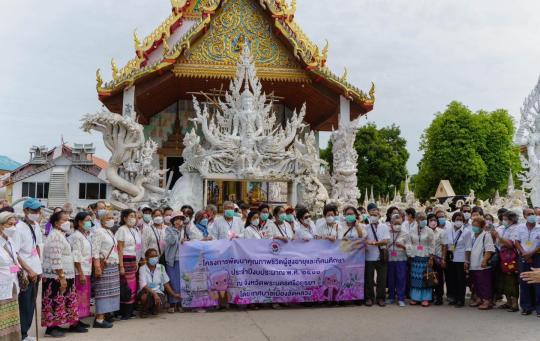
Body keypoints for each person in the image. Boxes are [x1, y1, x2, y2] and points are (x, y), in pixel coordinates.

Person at [41, 211, 83, 337]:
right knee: (54, 299)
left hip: (64, 274)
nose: (68, 222)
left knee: (61, 299)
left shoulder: (61, 235)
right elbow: (55, 258)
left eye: (68, 219)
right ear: (56, 223)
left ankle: (57, 325)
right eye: (64, 220)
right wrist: (62, 277)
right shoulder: (55, 236)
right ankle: (51, 327)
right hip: (56, 276)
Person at [14, 198, 43, 340]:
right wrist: (29, 270)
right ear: (25, 211)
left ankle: (25, 333)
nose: (38, 213)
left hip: (36, 270)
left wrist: (38, 267)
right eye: (34, 211)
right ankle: (22, 334)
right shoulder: (18, 228)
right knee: (24, 304)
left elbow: (36, 247)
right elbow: (16, 253)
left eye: (39, 210)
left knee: (31, 304)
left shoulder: (36, 225)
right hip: (26, 272)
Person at [91, 211, 120, 328]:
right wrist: (97, 266)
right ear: (101, 220)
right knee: (102, 293)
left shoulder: (109, 231)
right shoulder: (98, 232)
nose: (111, 219)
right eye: (108, 218)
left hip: (112, 265)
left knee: (110, 292)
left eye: (112, 217)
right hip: (104, 266)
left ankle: (105, 315)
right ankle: (99, 319)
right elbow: (95, 251)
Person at [137, 248, 181, 318]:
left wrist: (174, 295)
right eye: (152, 257)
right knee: (144, 297)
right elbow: (143, 285)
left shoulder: (161, 267)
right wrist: (154, 294)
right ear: (147, 258)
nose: (154, 258)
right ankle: (144, 311)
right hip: (146, 291)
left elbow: (165, 283)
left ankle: (153, 309)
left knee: (158, 305)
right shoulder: (142, 268)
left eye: (156, 256)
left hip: (158, 291)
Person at [68, 212, 93, 330]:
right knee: (78, 296)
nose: (89, 222)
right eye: (87, 220)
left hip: (87, 270)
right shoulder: (76, 236)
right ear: (79, 222)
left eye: (90, 220)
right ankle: (74, 322)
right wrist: (81, 273)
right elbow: (76, 256)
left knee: (84, 296)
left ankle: (79, 320)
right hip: (80, 272)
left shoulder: (85, 235)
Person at [115, 209, 141, 319]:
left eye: (134, 216)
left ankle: (130, 310)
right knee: (125, 286)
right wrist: (121, 265)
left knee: (133, 286)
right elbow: (119, 249)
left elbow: (138, 247)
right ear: (124, 218)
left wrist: (137, 261)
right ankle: (123, 311)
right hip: (125, 260)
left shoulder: (135, 230)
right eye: (130, 216)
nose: (133, 218)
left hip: (133, 260)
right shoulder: (122, 230)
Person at [0, 212, 22, 341]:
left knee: (11, 319)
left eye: (14, 224)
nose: (13, 227)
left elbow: (13, 263)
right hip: (1, 287)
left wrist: (17, 271)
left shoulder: (10, 241)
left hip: (11, 285)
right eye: (10, 224)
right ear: (1, 225)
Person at [514, 207, 540, 316]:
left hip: (537, 257)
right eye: (529, 214)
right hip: (523, 256)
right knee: (524, 281)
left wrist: (531, 253)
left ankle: (539, 308)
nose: (531, 216)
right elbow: (517, 242)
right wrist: (524, 253)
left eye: (533, 213)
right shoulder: (520, 227)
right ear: (524, 216)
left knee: (537, 283)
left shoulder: (539, 227)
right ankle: (526, 307)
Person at [407, 212, 435, 307]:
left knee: (425, 277)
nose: (422, 220)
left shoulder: (429, 231)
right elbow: (409, 243)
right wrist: (410, 254)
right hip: (415, 257)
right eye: (420, 218)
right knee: (415, 277)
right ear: (416, 220)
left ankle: (425, 298)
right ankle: (415, 298)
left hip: (426, 256)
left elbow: (432, 244)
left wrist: (431, 257)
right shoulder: (412, 230)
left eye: (424, 218)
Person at [364, 203, 389, 307]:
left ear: (379, 213)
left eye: (376, 211)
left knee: (381, 279)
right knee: (369, 279)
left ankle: (381, 298)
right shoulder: (365, 227)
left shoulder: (384, 226)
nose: (374, 213)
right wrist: (369, 242)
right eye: (372, 212)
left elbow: (385, 241)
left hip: (381, 256)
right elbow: (364, 241)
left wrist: (373, 243)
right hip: (369, 256)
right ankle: (369, 298)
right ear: (368, 213)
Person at [495, 210, 520, 312]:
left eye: (506, 219)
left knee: (511, 279)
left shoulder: (516, 229)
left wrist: (498, 237)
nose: (503, 221)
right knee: (504, 279)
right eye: (503, 219)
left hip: (511, 257)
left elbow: (511, 244)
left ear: (512, 219)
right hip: (502, 256)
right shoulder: (503, 228)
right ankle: (508, 302)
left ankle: (514, 304)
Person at [445, 211, 472, 307]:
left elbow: (468, 247)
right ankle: (454, 298)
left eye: (461, 220)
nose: (458, 221)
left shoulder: (466, 231)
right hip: (451, 258)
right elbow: (447, 245)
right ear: (453, 220)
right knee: (452, 280)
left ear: (463, 221)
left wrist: (466, 260)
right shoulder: (449, 230)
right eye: (457, 219)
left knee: (461, 280)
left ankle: (461, 300)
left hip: (461, 259)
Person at [468, 216, 495, 310]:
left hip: (482, 264)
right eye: (473, 225)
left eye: (477, 226)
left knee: (484, 283)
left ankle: (487, 301)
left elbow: (489, 249)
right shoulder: (472, 235)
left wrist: (484, 260)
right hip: (473, 264)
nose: (474, 227)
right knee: (476, 283)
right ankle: (479, 299)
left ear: (482, 226)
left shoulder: (486, 235)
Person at [164, 212, 187, 313]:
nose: (179, 221)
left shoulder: (185, 230)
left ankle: (181, 303)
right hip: (172, 259)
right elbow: (172, 241)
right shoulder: (169, 229)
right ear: (173, 221)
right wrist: (177, 230)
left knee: (182, 281)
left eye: (180, 219)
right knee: (173, 281)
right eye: (176, 219)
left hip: (183, 259)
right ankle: (172, 303)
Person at [386, 213, 408, 307]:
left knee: (401, 278)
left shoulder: (405, 233)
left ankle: (401, 298)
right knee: (391, 278)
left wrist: (403, 246)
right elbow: (384, 243)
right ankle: (391, 297)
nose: (397, 225)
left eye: (399, 223)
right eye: (395, 223)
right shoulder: (387, 232)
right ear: (391, 223)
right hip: (390, 258)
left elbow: (410, 246)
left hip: (401, 258)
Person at [431, 210, 448, 305]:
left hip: (438, 258)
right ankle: (430, 296)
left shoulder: (441, 232)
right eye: (431, 220)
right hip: (428, 257)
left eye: (435, 220)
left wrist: (443, 259)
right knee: (429, 277)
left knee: (439, 278)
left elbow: (444, 246)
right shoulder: (425, 231)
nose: (433, 222)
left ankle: (439, 296)